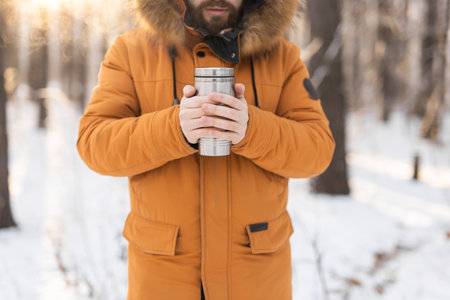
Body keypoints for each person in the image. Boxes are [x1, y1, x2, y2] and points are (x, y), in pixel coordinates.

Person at [76, 0, 335, 299]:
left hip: (257, 281)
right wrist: (174, 129)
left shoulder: (282, 57)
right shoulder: (131, 51)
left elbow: (317, 150)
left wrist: (253, 129)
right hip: (164, 281)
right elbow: (94, 143)